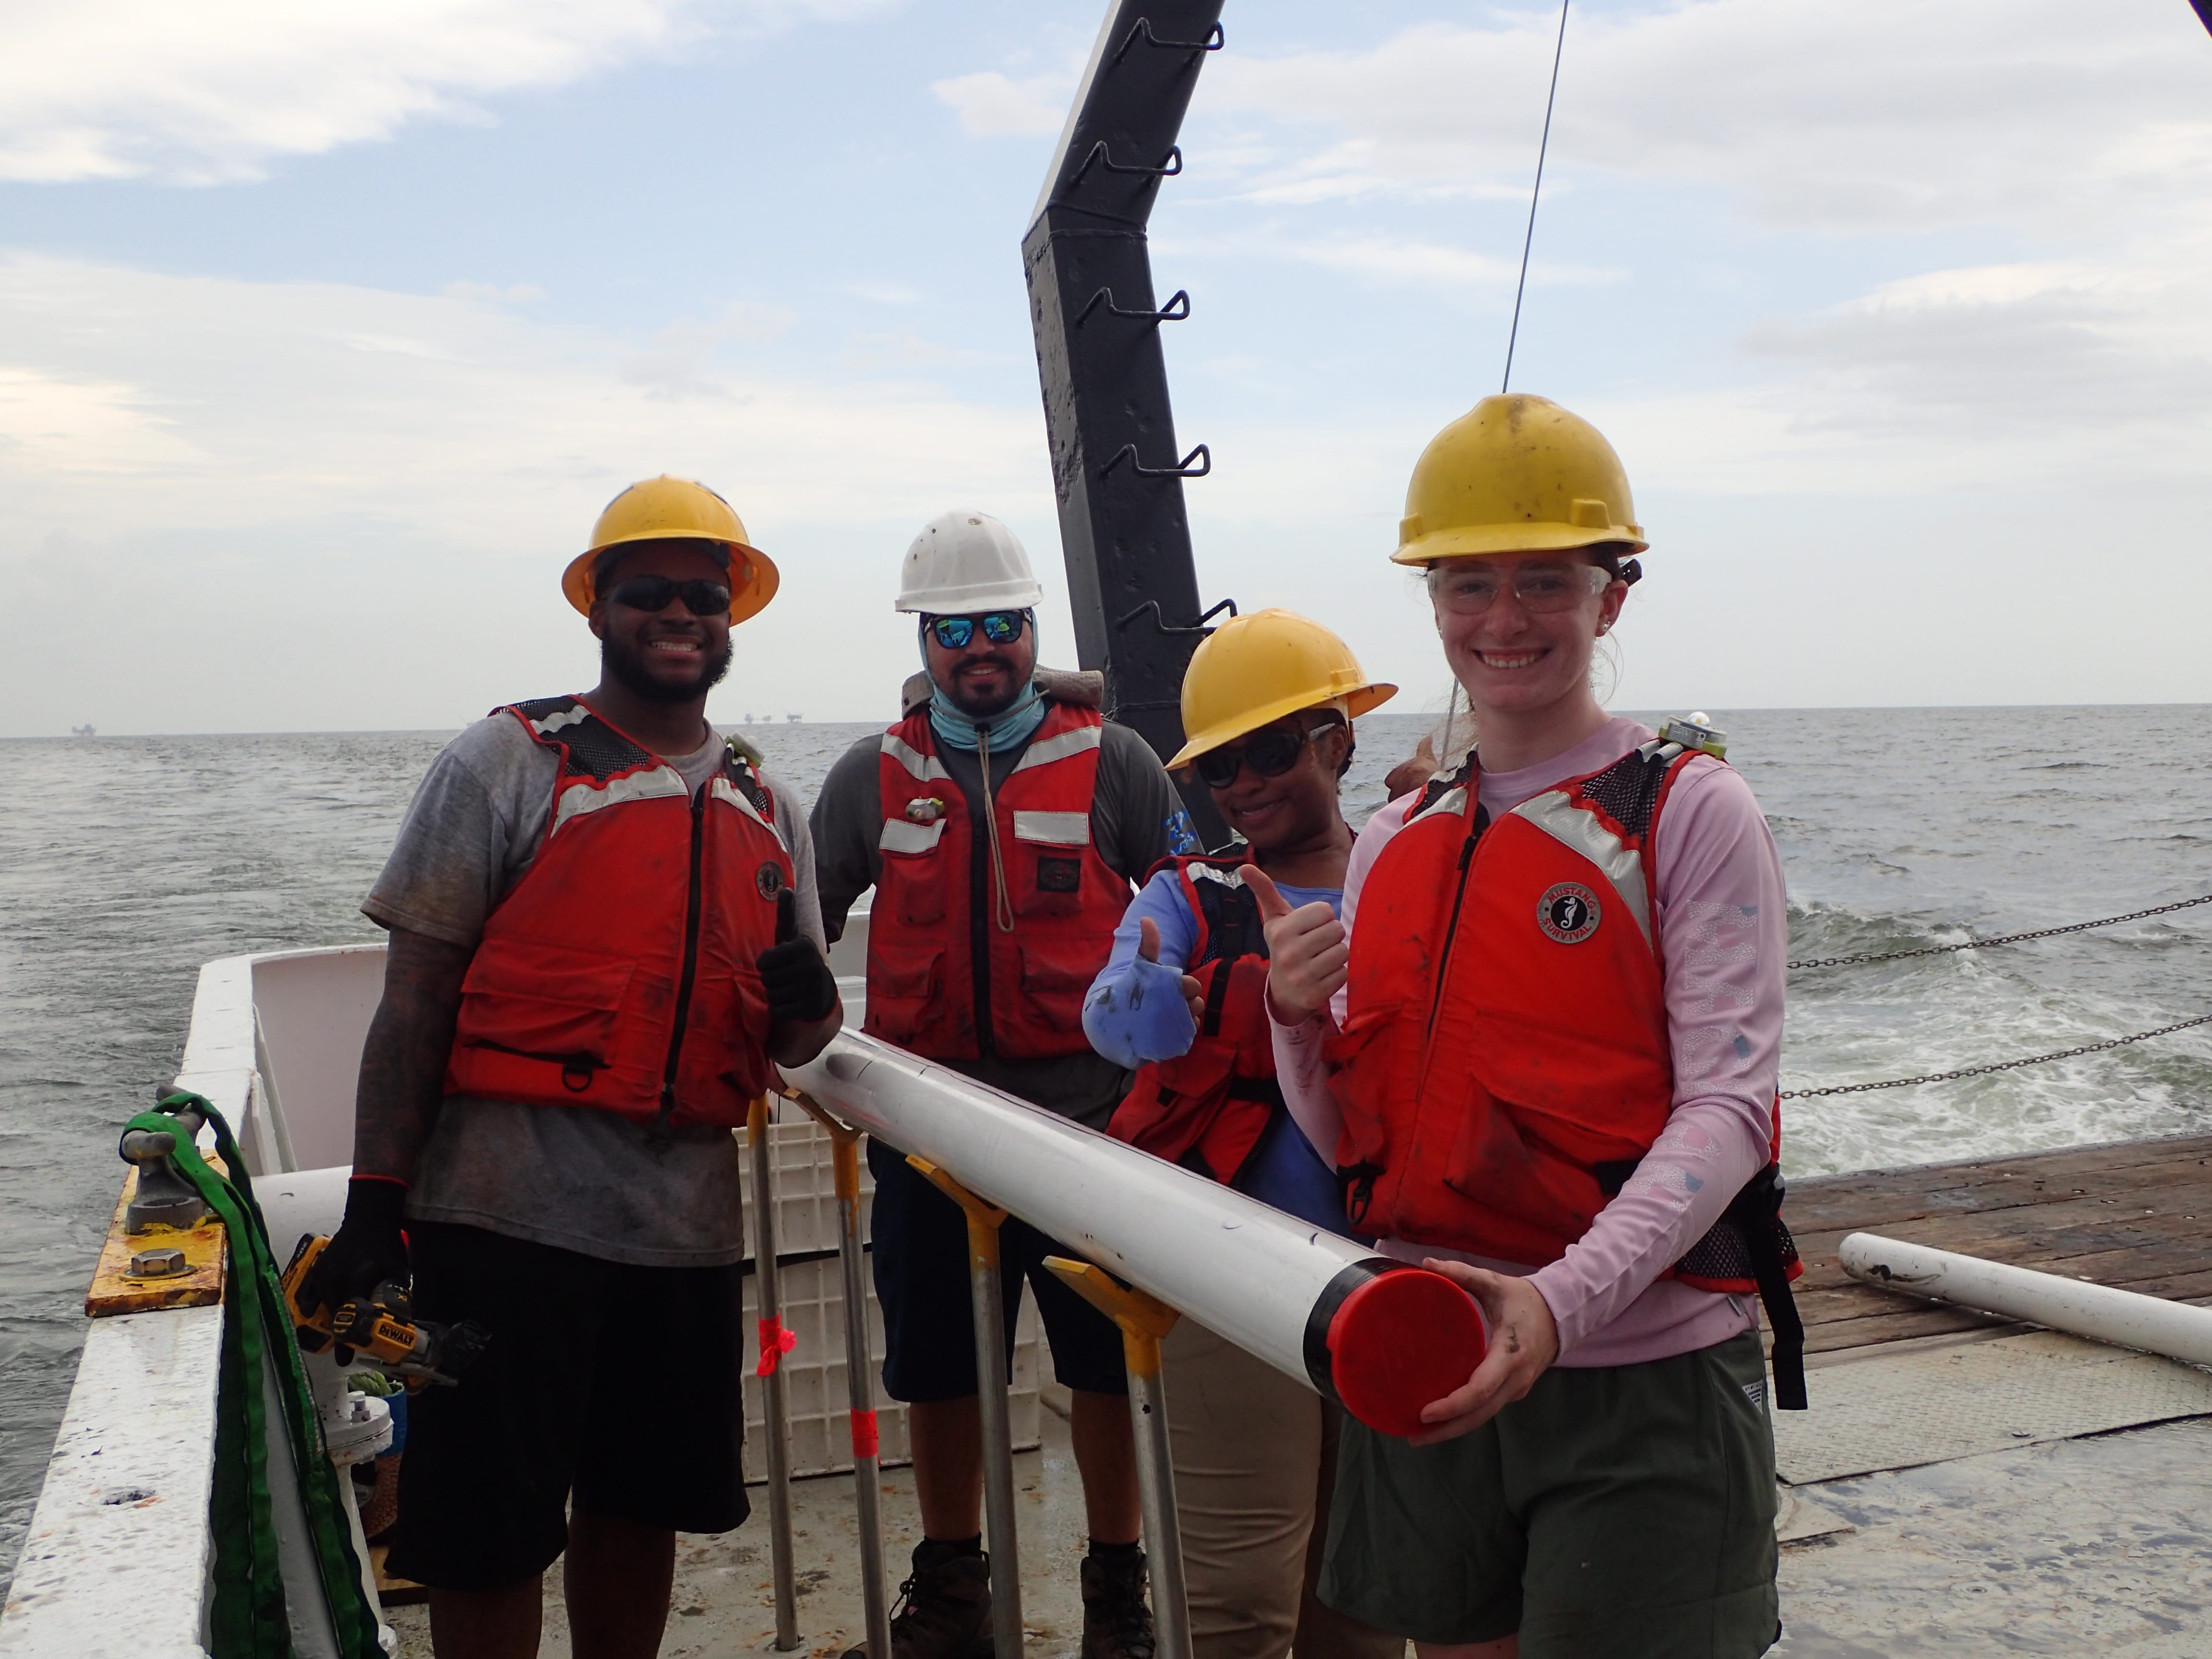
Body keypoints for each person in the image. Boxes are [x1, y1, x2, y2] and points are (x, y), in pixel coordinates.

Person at [1259, 395, 1802, 1659]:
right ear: (1434, 602)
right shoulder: (1392, 838)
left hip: (1642, 1384)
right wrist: (1293, 1021)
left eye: (1544, 582)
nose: (1503, 621)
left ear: (1611, 596)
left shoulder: (1688, 810)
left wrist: (1561, 1304)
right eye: (1467, 584)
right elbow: (1355, 1127)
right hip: (1437, 1349)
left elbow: (1728, 1109)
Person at [300, 474, 844, 1659]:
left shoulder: (769, 804)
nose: (681, 614)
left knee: (641, 1508)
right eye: (649, 592)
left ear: (732, 618)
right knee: (481, 1529)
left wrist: (816, 1004)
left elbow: (797, 1046)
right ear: (598, 608)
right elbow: (416, 1001)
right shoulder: (506, 761)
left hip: (682, 1238)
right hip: (499, 1229)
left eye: (706, 595)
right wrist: (372, 1206)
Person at [810, 508, 1197, 1659]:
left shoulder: (1117, 761)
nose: (980, 649)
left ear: (1033, 631)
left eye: (1001, 626)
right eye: (954, 629)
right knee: (938, 1370)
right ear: (924, 642)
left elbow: (1187, 909)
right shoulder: (869, 776)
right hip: (928, 1128)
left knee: (1098, 1362)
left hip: (1088, 1126)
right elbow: (797, 929)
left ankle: (1115, 1589)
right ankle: (951, 1586)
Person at [1079, 609, 1403, 1659]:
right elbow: (1117, 1019)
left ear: (1340, 741)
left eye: (1270, 752)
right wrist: (1240, 986)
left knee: (1371, 1599)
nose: (1246, 784)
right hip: (1230, 1281)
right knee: (1235, 1609)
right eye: (1219, 769)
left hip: (1395, 1274)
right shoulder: (1188, 893)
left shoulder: (1417, 879)